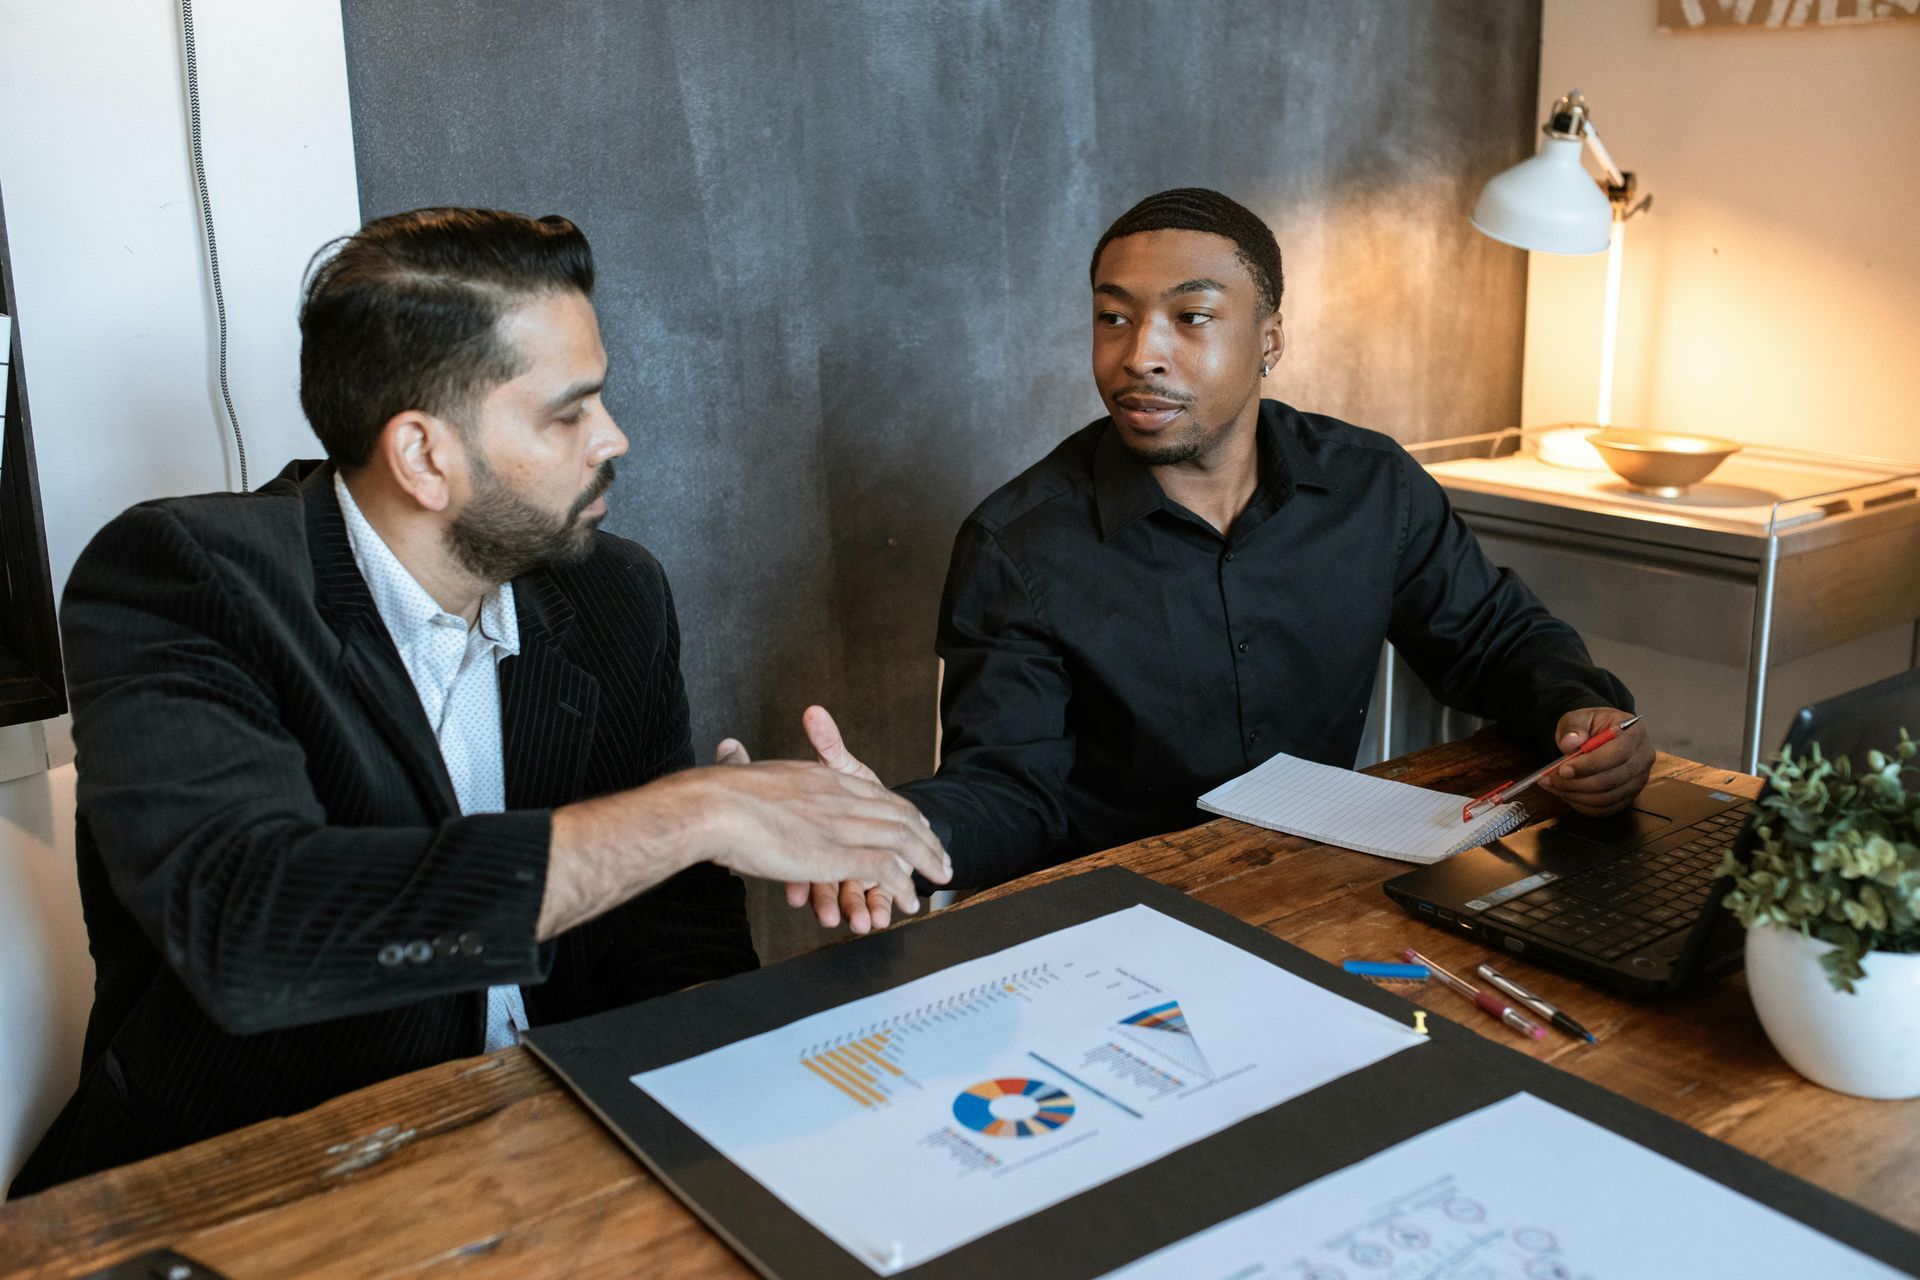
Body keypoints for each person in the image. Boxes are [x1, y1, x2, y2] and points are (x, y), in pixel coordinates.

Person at [12, 207, 947, 1194]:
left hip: (562, 1156)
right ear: (422, 455)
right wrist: (701, 809)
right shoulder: (186, 580)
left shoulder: (611, 591)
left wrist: (795, 879)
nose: (614, 436)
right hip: (256, 1190)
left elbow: (672, 937)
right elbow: (256, 925)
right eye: (567, 411)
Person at [793, 187, 1650, 919]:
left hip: (1323, 895)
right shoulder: (1019, 544)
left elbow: (1496, 642)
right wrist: (902, 828)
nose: (1140, 354)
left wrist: (1583, 713)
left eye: (1190, 317)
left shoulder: (1370, 487)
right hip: (1112, 922)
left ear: (1270, 340)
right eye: (1113, 318)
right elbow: (1012, 786)